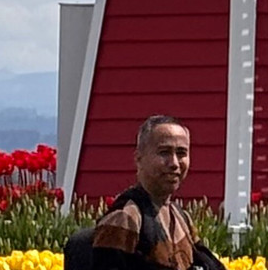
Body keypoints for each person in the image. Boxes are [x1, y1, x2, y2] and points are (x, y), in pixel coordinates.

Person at [90, 115, 220, 270]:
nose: (174, 163)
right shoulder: (125, 218)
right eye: (164, 152)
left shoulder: (181, 217)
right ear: (139, 158)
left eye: (181, 153)